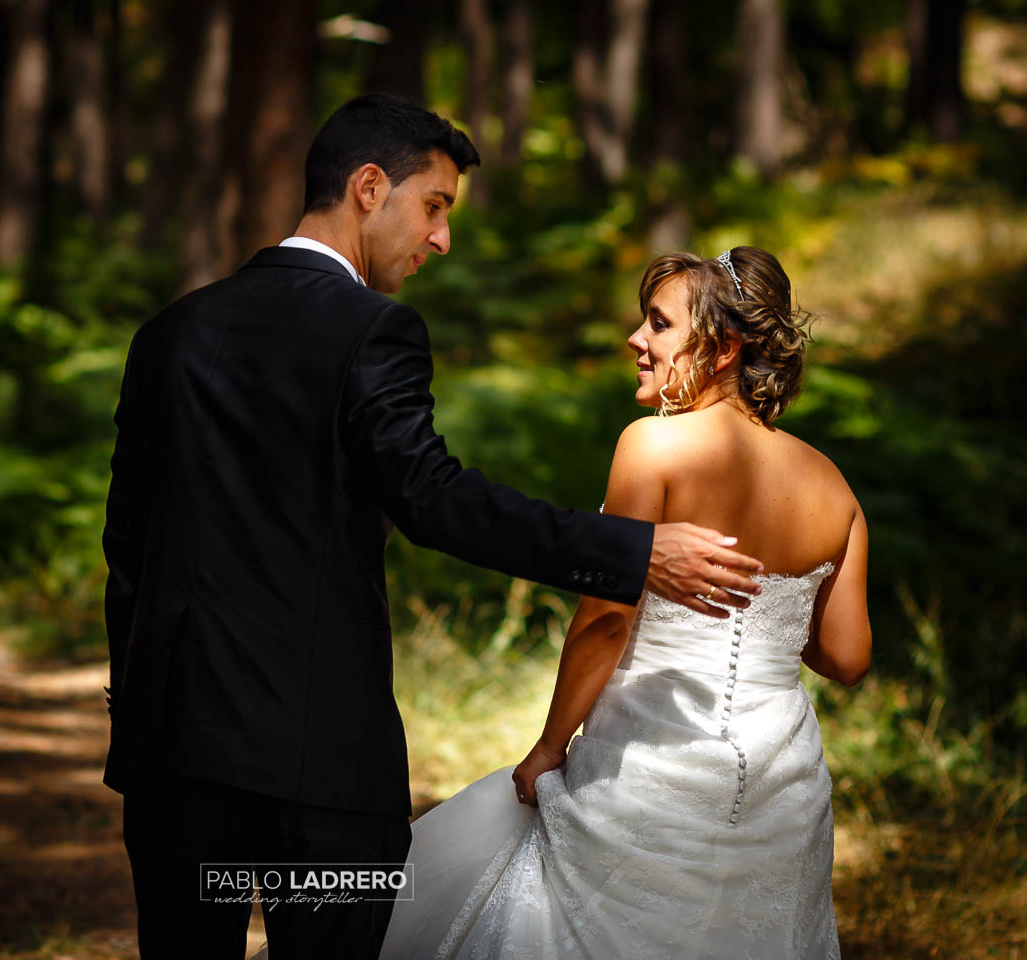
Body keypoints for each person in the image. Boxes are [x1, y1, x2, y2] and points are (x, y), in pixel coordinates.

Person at [101, 95, 766, 960]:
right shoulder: (374, 329)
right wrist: (634, 551)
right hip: (322, 770)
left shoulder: (169, 334)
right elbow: (432, 498)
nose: (441, 239)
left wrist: (139, 694)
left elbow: (128, 544)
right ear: (369, 187)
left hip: (173, 754)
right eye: (436, 206)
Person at [377, 246, 872, 959]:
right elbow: (848, 658)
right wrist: (769, 617)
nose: (637, 340)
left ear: (726, 346)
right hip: (780, 780)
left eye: (659, 325)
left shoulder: (654, 447)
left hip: (650, 762)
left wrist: (549, 749)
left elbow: (607, 619)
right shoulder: (833, 485)